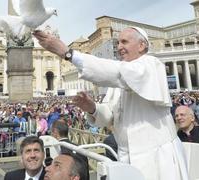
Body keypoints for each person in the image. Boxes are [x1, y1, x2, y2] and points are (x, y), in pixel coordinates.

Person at [34, 27, 188, 180]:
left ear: (142, 45)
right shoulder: (121, 76)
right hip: (127, 158)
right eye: (118, 42)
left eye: (124, 42)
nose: (119, 47)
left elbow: (120, 72)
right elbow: (109, 116)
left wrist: (68, 54)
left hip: (158, 158)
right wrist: (92, 108)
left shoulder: (151, 65)